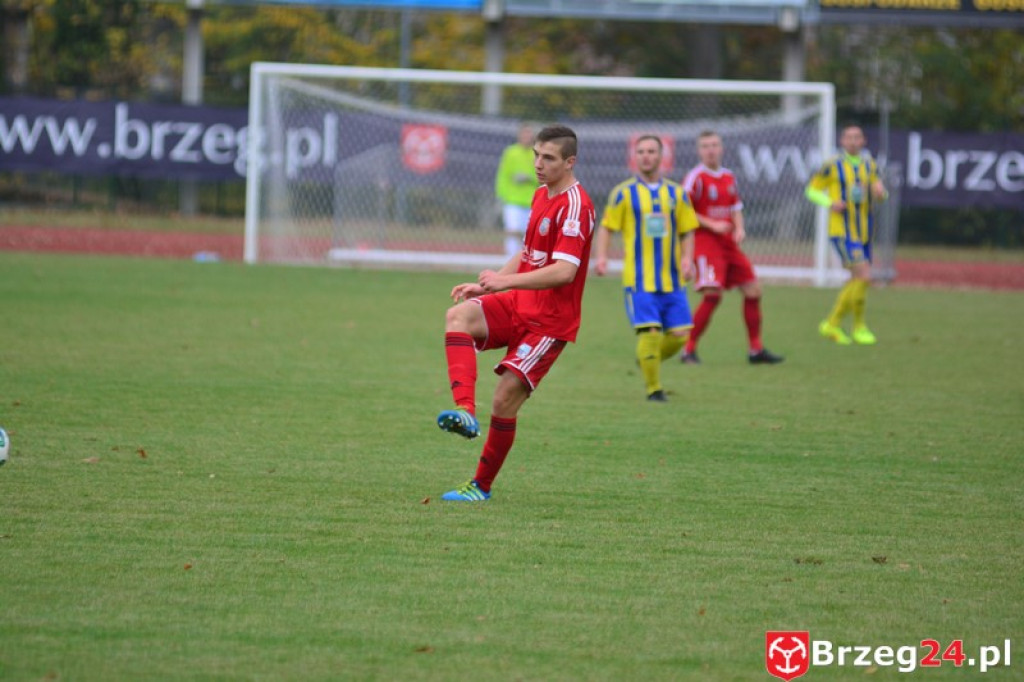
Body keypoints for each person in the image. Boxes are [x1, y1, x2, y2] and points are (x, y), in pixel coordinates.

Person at [437, 125, 595, 502]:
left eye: (549, 158)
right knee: (457, 316)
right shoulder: (541, 194)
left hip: (549, 322)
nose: (538, 164)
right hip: (519, 301)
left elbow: (564, 271)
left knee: (504, 400)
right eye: (537, 155)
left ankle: (480, 487)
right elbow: (528, 252)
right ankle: (464, 413)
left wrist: (506, 284)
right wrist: (490, 282)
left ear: (570, 162)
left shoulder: (577, 206)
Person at [595, 135, 697, 402]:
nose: (646, 156)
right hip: (639, 280)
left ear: (661, 156)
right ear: (634, 156)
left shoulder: (677, 193)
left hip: (673, 279)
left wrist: (688, 259)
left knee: (679, 336)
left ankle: (647, 358)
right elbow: (606, 227)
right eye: (640, 151)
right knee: (650, 332)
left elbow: (687, 231)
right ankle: (654, 389)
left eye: (651, 151)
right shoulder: (623, 193)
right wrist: (602, 257)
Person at [681, 130, 784, 365]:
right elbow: (683, 210)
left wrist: (739, 228)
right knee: (712, 295)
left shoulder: (728, 176)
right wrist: (712, 224)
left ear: (721, 148)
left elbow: (736, 206)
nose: (710, 150)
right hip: (705, 243)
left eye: (714, 145)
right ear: (699, 151)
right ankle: (688, 349)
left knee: (753, 290)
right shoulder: (695, 177)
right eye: (705, 146)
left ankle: (756, 350)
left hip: (728, 244)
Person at [806, 123, 887, 345]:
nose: (853, 141)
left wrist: (881, 192)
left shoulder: (870, 165)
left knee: (857, 279)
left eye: (857, 137)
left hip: (864, 231)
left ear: (863, 141)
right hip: (841, 230)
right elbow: (811, 190)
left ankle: (839, 325)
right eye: (848, 137)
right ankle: (849, 325)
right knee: (864, 275)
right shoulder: (832, 165)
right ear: (842, 141)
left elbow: (880, 193)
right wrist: (830, 202)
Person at [494, 123, 538, 259]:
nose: (526, 137)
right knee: (512, 232)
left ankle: (527, 263)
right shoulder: (511, 152)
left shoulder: (537, 153)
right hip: (512, 200)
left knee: (530, 235)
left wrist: (530, 178)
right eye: (524, 134)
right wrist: (501, 196)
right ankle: (510, 262)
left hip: (532, 201)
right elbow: (503, 175)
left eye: (528, 134)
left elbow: (544, 177)